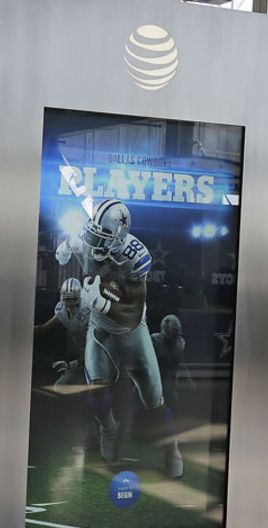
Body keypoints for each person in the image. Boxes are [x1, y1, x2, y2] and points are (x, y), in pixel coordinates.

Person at [55, 198, 183, 478]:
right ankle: (108, 427)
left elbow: (134, 313)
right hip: (101, 330)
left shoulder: (135, 258)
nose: (93, 243)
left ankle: (171, 448)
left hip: (132, 331)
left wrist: (100, 303)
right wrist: (66, 249)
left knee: (153, 401)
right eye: (92, 235)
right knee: (96, 391)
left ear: (119, 240)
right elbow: (75, 243)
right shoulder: (88, 240)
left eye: (102, 238)